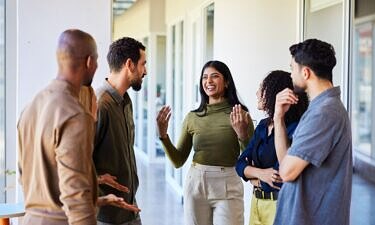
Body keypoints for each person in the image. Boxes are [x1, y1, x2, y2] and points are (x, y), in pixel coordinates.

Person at [156, 60, 254, 225]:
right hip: (196, 184)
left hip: (228, 183)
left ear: (227, 81)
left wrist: (243, 135)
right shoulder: (192, 117)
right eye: (205, 77)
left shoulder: (240, 115)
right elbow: (178, 160)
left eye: (215, 76)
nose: (208, 81)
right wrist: (163, 135)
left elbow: (250, 159)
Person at [17, 29, 99, 225]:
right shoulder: (75, 114)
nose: (96, 66)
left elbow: (24, 176)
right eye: (96, 60)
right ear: (89, 62)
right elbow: (76, 198)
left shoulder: (31, 107)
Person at [273, 39, 352, 225]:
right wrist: (278, 117)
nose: (291, 75)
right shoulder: (321, 108)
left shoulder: (324, 113)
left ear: (306, 72)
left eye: (292, 69)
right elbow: (286, 162)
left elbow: (286, 172)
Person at [235, 70, 308, 225]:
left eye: (262, 88)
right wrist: (260, 174)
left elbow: (280, 177)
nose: (257, 93)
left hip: (278, 205)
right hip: (256, 203)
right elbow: (240, 163)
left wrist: (252, 176)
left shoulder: (295, 129)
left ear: (274, 92)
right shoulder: (262, 126)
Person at [93, 37, 147, 225]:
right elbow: (77, 160)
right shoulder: (100, 104)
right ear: (129, 64)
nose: (145, 71)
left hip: (129, 209)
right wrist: (98, 178)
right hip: (107, 216)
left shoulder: (125, 102)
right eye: (143, 64)